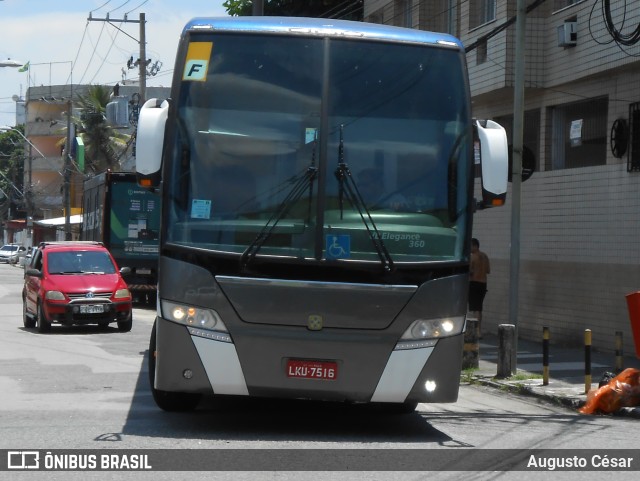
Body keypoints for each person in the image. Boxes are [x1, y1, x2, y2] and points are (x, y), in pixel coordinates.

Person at [469, 237, 490, 337]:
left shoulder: (473, 257)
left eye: (470, 246)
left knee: (475, 308)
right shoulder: (485, 256)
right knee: (479, 308)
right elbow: (488, 270)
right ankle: (479, 330)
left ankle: (476, 331)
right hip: (483, 283)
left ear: (475, 246)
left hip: (474, 283)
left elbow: (470, 271)